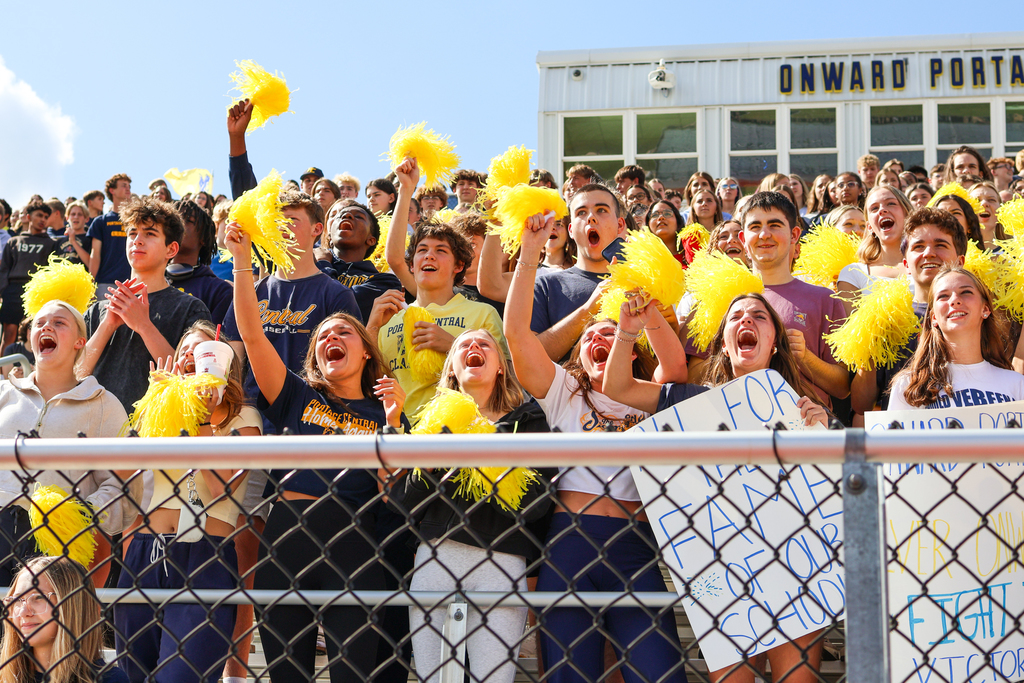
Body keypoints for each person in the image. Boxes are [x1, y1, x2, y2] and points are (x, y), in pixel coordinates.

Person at [604, 291, 828, 683]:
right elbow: (618, 388)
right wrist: (627, 330)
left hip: (796, 569)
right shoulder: (690, 401)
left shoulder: (803, 411)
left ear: (774, 342)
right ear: (724, 343)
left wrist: (823, 430)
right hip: (722, 569)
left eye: (759, 316)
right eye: (736, 317)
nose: (746, 322)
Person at [504, 209, 688, 683]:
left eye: (612, 334)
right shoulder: (564, 391)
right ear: (578, 353)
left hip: (636, 544)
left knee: (660, 672)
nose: (602, 336)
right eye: (593, 336)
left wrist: (644, 317)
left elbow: (677, 371)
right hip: (570, 544)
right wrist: (529, 256)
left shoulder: (646, 395)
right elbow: (517, 337)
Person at [225, 220, 406, 682]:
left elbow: (392, 496)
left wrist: (392, 425)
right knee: (288, 675)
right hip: (288, 538)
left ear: (366, 351)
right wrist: (244, 263)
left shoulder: (383, 407)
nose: (331, 338)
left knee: (353, 674)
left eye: (343, 333)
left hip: (355, 544)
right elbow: (250, 332)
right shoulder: (296, 395)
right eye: (323, 336)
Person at [385, 329, 554, 683]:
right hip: (437, 560)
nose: (473, 348)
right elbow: (406, 501)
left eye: (484, 344)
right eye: (464, 345)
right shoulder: (433, 420)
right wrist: (432, 459)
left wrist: (483, 455)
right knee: (434, 678)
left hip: (502, 562)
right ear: (452, 370)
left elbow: (537, 505)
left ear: (501, 368)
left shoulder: (531, 420)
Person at [114, 322, 258, 683]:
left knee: (180, 678)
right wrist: (155, 407)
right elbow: (124, 479)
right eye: (184, 356)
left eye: (201, 353)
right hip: (145, 556)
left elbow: (224, 486)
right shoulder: (162, 415)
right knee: (136, 674)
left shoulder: (245, 419)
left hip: (206, 557)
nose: (192, 360)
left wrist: (203, 422)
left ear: (223, 364)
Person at [0, 300, 139, 587]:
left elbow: (123, 486)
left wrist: (84, 513)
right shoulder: (3, 393)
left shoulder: (104, 405)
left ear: (80, 342)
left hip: (58, 544)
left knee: (43, 629)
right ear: (29, 339)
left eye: (59, 322)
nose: (46, 326)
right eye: (39, 323)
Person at [370, 158, 507, 419]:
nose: (429, 256)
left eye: (441, 251)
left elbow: (507, 378)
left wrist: (454, 346)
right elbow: (369, 382)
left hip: (462, 440)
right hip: (404, 442)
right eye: (422, 250)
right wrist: (406, 189)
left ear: (459, 266)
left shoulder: (482, 315)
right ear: (412, 265)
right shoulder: (390, 320)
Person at [81, 196, 212, 411]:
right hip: (94, 434)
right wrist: (108, 325)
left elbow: (191, 379)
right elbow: (75, 375)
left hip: (155, 436)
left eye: (149, 234)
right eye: (132, 233)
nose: (137, 240)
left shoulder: (191, 308)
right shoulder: (97, 310)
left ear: (171, 250)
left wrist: (144, 325)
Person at [851, 207, 968, 417]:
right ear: (906, 264)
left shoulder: (977, 314)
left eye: (940, 245)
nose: (929, 253)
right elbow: (862, 406)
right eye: (918, 246)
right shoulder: (885, 318)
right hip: (901, 442)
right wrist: (867, 347)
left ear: (960, 262)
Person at [740, 192, 849, 406]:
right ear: (743, 239)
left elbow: (842, 387)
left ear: (794, 235)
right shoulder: (723, 297)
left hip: (807, 430)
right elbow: (696, 376)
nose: (764, 234)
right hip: (740, 430)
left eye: (774, 225)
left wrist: (805, 356)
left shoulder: (825, 299)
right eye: (755, 227)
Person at [888, 264, 1024, 410]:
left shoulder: (1016, 383)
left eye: (965, 292)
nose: (954, 300)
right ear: (933, 317)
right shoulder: (908, 384)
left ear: (985, 309)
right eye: (943, 296)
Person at [528, 183, 629, 362]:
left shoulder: (640, 284)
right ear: (571, 230)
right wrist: (589, 308)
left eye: (601, 210)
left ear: (620, 225)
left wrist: (672, 325)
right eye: (581, 212)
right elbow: (531, 358)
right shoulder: (546, 285)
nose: (591, 217)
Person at [1, 556, 130, 683]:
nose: (23, 612)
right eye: (18, 599)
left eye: (39, 597)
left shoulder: (110, 679)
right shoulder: (5, 677)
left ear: (73, 605)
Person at [316, 199, 402, 322]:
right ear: (329, 237)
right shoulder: (307, 265)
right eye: (339, 216)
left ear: (371, 239)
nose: (347, 215)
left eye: (359, 217)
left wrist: (323, 264)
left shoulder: (385, 283)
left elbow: (341, 306)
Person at [836, 186, 914, 315]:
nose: (882, 210)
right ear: (869, 226)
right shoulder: (853, 273)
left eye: (891, 203)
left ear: (907, 215)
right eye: (874, 208)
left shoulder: (926, 264)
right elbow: (853, 331)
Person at [0, 201, 59, 349]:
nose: (43, 219)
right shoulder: (14, 241)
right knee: (9, 334)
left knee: (35, 333)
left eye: (46, 216)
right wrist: (4, 291)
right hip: (13, 290)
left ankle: (34, 371)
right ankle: (2, 371)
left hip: (37, 291)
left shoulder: (51, 243)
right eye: (39, 215)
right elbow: (4, 269)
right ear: (28, 217)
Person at [166, 199, 233, 326]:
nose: (177, 225)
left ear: (203, 237)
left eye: (187, 221)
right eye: (173, 220)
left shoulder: (219, 291)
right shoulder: (148, 280)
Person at [87, 173, 133, 293]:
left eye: (129, 186)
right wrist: (90, 283)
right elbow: (95, 254)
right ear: (112, 190)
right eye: (123, 185)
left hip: (133, 283)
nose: (128, 188)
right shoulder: (100, 221)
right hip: (106, 284)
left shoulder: (136, 220)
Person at [644, 200, 688, 266]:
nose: (661, 217)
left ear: (678, 222)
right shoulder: (642, 260)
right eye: (655, 215)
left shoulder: (694, 254)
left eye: (667, 213)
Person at [52, 201, 93, 268]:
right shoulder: (59, 241)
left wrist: (73, 242)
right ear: (67, 218)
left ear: (87, 219)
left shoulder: (90, 239)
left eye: (80, 214)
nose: (76, 217)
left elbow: (91, 264)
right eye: (73, 214)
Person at [968, 180, 1007, 248]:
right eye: (976, 200)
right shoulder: (955, 252)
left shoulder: (1017, 254)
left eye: (991, 200)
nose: (984, 203)